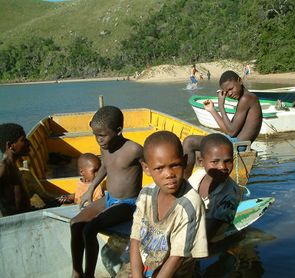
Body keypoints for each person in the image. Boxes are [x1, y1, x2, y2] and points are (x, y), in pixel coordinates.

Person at [70, 106, 143, 278]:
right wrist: (91, 189)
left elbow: (153, 168)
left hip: (128, 204)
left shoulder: (134, 150)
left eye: (102, 135)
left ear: (118, 130)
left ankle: (89, 275)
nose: (98, 140)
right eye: (95, 135)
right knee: (75, 223)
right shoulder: (105, 147)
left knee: (89, 230)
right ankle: (76, 271)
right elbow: (105, 167)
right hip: (109, 198)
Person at [130, 131, 208, 277]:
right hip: (147, 261)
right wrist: (137, 275)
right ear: (146, 168)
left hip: (174, 271)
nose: (169, 174)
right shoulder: (146, 194)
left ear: (185, 161)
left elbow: (177, 257)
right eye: (159, 168)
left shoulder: (189, 205)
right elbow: (135, 238)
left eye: (175, 165)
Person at [183, 70, 262, 178]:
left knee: (189, 142)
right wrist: (212, 110)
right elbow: (228, 131)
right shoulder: (245, 99)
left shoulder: (247, 98)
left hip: (238, 145)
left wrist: (221, 105)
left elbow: (231, 132)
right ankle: (203, 181)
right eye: (226, 91)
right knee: (198, 153)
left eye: (231, 88)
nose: (229, 93)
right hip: (234, 142)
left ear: (240, 80)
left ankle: (183, 185)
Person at [188, 133, 240, 244]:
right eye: (215, 162)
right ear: (201, 162)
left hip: (209, 240)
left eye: (228, 161)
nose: (222, 167)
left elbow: (206, 235)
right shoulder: (197, 175)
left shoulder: (231, 194)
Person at [0, 123, 31, 216]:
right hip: (17, 223)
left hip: (26, 215)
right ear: (10, 145)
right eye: (23, 140)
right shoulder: (4, 167)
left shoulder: (12, 165)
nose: (28, 143)